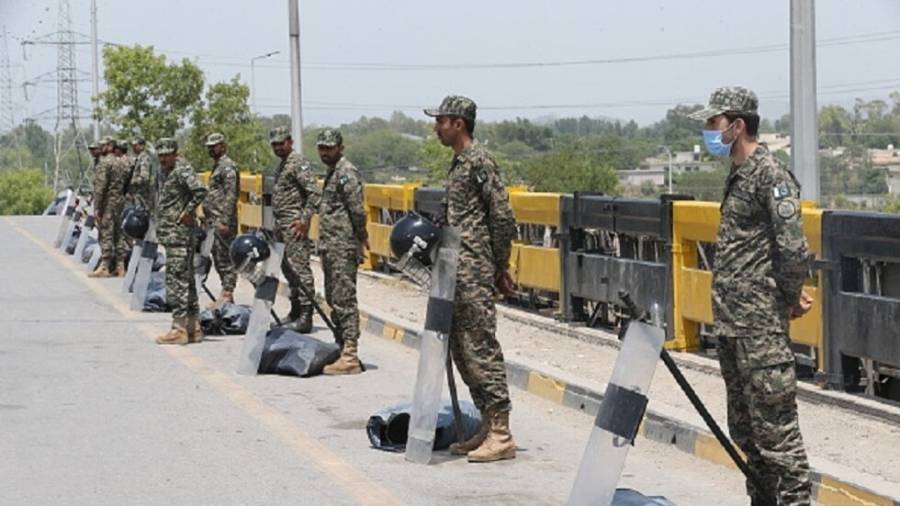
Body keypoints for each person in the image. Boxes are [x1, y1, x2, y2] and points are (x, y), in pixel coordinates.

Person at [688, 86, 813, 505]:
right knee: (748, 437)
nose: (709, 131)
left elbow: (793, 248)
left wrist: (792, 296)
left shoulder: (771, 176)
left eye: (714, 123)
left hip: (760, 330)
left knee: (778, 437)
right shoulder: (738, 175)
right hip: (732, 325)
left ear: (737, 125)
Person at [424, 95, 518, 462]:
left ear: (458, 124)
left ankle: (502, 431)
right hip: (455, 271)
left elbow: (502, 216)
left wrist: (499, 265)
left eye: (441, 121)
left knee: (480, 347)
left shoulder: (479, 161)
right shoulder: (459, 163)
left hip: (474, 270)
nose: (436, 127)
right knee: (462, 350)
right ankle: (486, 423)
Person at [315, 129, 369, 375]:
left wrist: (361, 237)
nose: (325, 152)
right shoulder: (332, 172)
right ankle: (341, 346)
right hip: (330, 245)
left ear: (340, 148)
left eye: (329, 148)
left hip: (343, 245)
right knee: (333, 297)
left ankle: (351, 354)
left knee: (344, 298)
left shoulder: (346, 173)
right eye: (321, 148)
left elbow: (357, 210)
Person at [154, 138, 209, 345]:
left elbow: (201, 190)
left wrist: (187, 211)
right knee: (186, 282)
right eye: (160, 155)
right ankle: (194, 327)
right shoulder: (163, 171)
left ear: (175, 154)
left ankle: (178, 329)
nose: (163, 159)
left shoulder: (181, 169)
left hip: (180, 235)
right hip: (170, 234)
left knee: (177, 281)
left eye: (167, 155)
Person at [269, 126, 321, 333]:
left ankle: (306, 316)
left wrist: (304, 219)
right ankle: (295, 310)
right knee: (288, 270)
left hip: (294, 224)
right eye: (274, 144)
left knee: (300, 269)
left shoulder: (297, 163)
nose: (278, 148)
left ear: (290, 142)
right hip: (281, 224)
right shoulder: (283, 165)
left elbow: (314, 193)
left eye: (281, 144)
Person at [202, 132, 239, 308]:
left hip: (223, 221)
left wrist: (224, 220)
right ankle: (225, 293)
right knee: (218, 257)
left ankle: (228, 293)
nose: (211, 149)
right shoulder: (217, 166)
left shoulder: (227, 167)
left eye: (214, 146)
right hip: (214, 220)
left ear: (223, 146)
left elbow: (231, 195)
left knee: (226, 258)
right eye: (209, 147)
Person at [88, 136, 130, 278]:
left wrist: (97, 207)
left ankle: (105, 265)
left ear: (110, 146)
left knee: (105, 232)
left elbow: (100, 187)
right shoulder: (123, 163)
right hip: (121, 202)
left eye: (103, 145)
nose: (101, 148)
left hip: (108, 203)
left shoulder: (105, 163)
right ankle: (120, 265)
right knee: (119, 234)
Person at [127, 136, 157, 214]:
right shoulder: (138, 158)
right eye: (133, 146)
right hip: (138, 196)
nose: (133, 148)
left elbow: (144, 177)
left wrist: (132, 181)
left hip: (143, 197)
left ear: (142, 146)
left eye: (135, 146)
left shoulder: (144, 159)